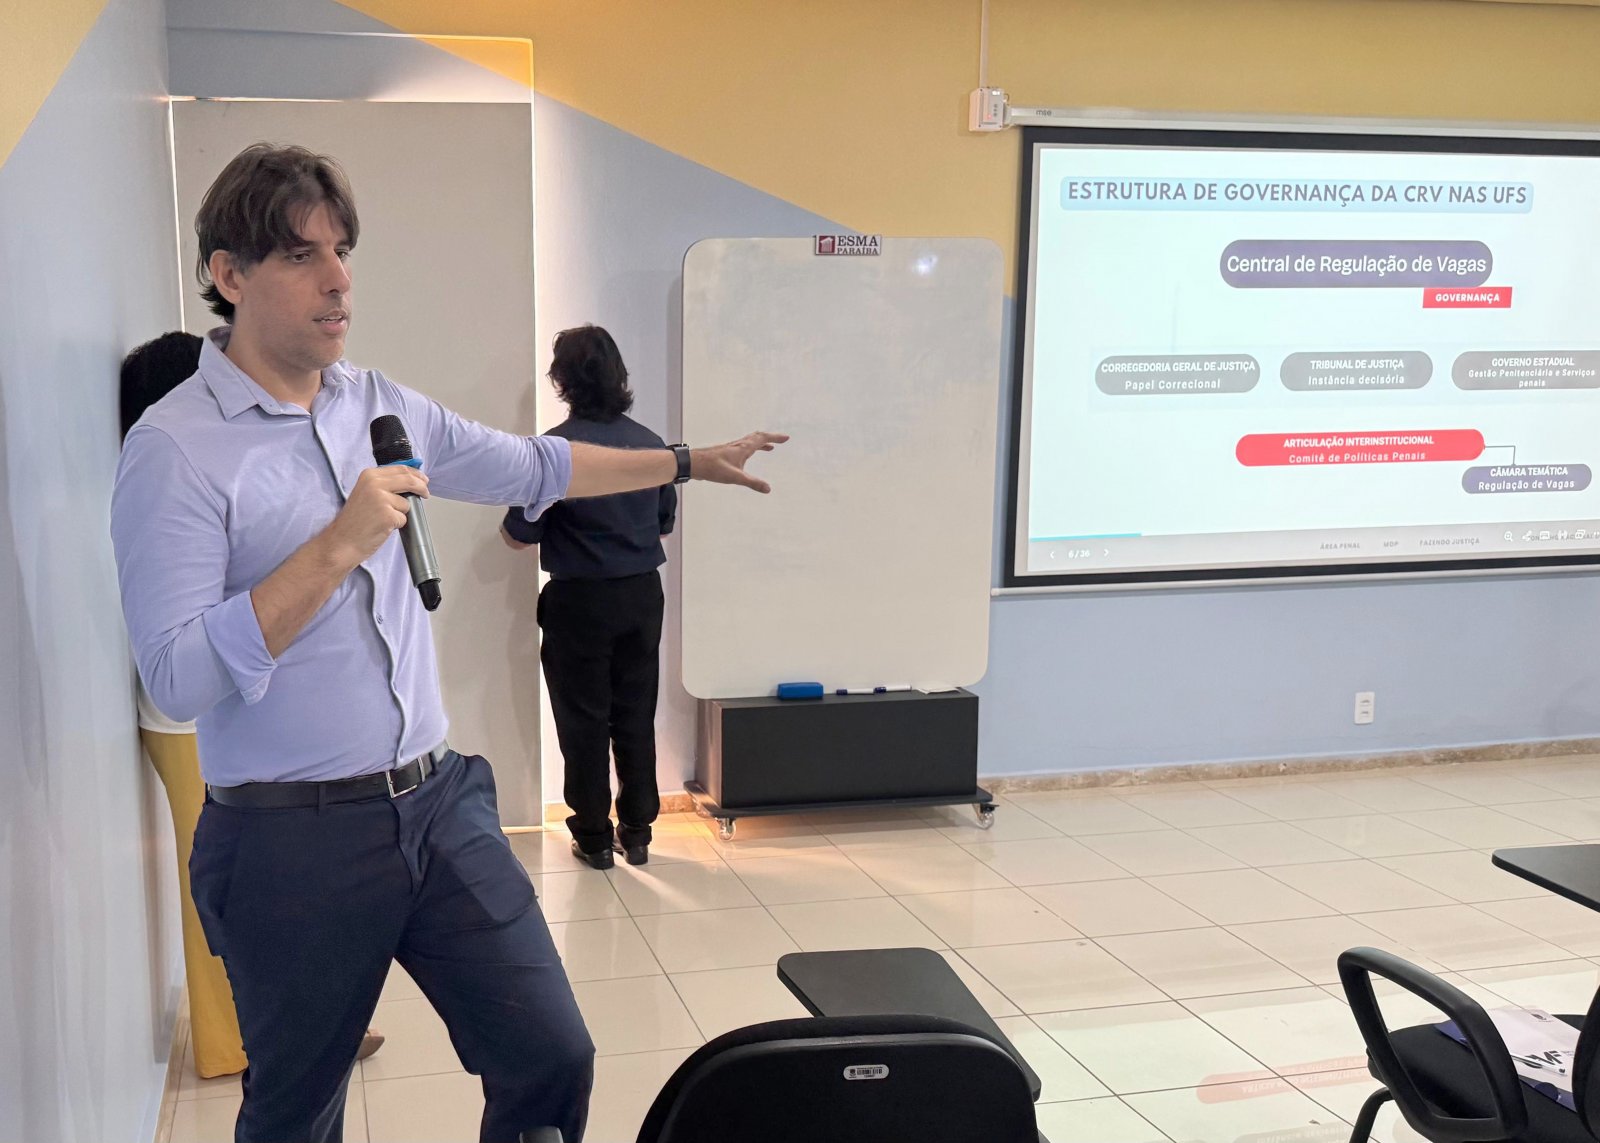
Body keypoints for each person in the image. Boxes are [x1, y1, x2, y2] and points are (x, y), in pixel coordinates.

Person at [109, 143, 785, 1143]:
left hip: (438, 804)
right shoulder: (172, 449)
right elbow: (174, 678)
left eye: (343, 252)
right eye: (301, 255)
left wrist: (684, 460)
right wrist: (335, 546)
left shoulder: (377, 403)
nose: (339, 282)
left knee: (552, 1053)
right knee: (297, 1113)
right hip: (290, 841)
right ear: (229, 274)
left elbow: (533, 466)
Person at [120, 332, 385, 1079]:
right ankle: (237, 1040)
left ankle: (297, 1024)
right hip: (190, 718)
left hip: (213, 713)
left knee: (266, 890)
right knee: (233, 895)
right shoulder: (166, 477)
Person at [501, 326, 674, 871]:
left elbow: (517, 535)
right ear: (619, 374)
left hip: (579, 600)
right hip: (642, 594)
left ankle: (595, 839)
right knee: (635, 712)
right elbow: (663, 524)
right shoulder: (652, 445)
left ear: (562, 381)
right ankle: (639, 831)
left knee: (583, 719)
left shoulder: (554, 451)